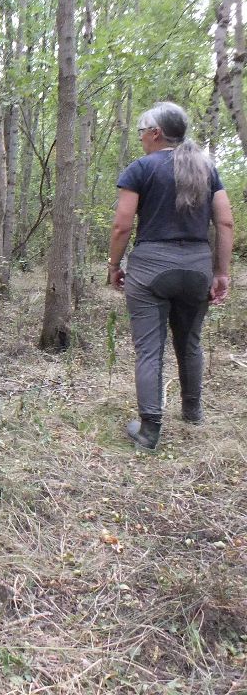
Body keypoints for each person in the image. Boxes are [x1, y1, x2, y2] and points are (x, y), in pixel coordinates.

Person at [108, 101, 234, 450]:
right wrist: (221, 271)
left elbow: (122, 226)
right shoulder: (207, 168)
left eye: (141, 133)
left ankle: (149, 432)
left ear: (155, 133)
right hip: (196, 266)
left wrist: (114, 265)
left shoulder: (141, 169)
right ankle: (192, 412)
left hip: (150, 268)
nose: (140, 140)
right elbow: (224, 221)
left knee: (149, 350)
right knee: (189, 342)